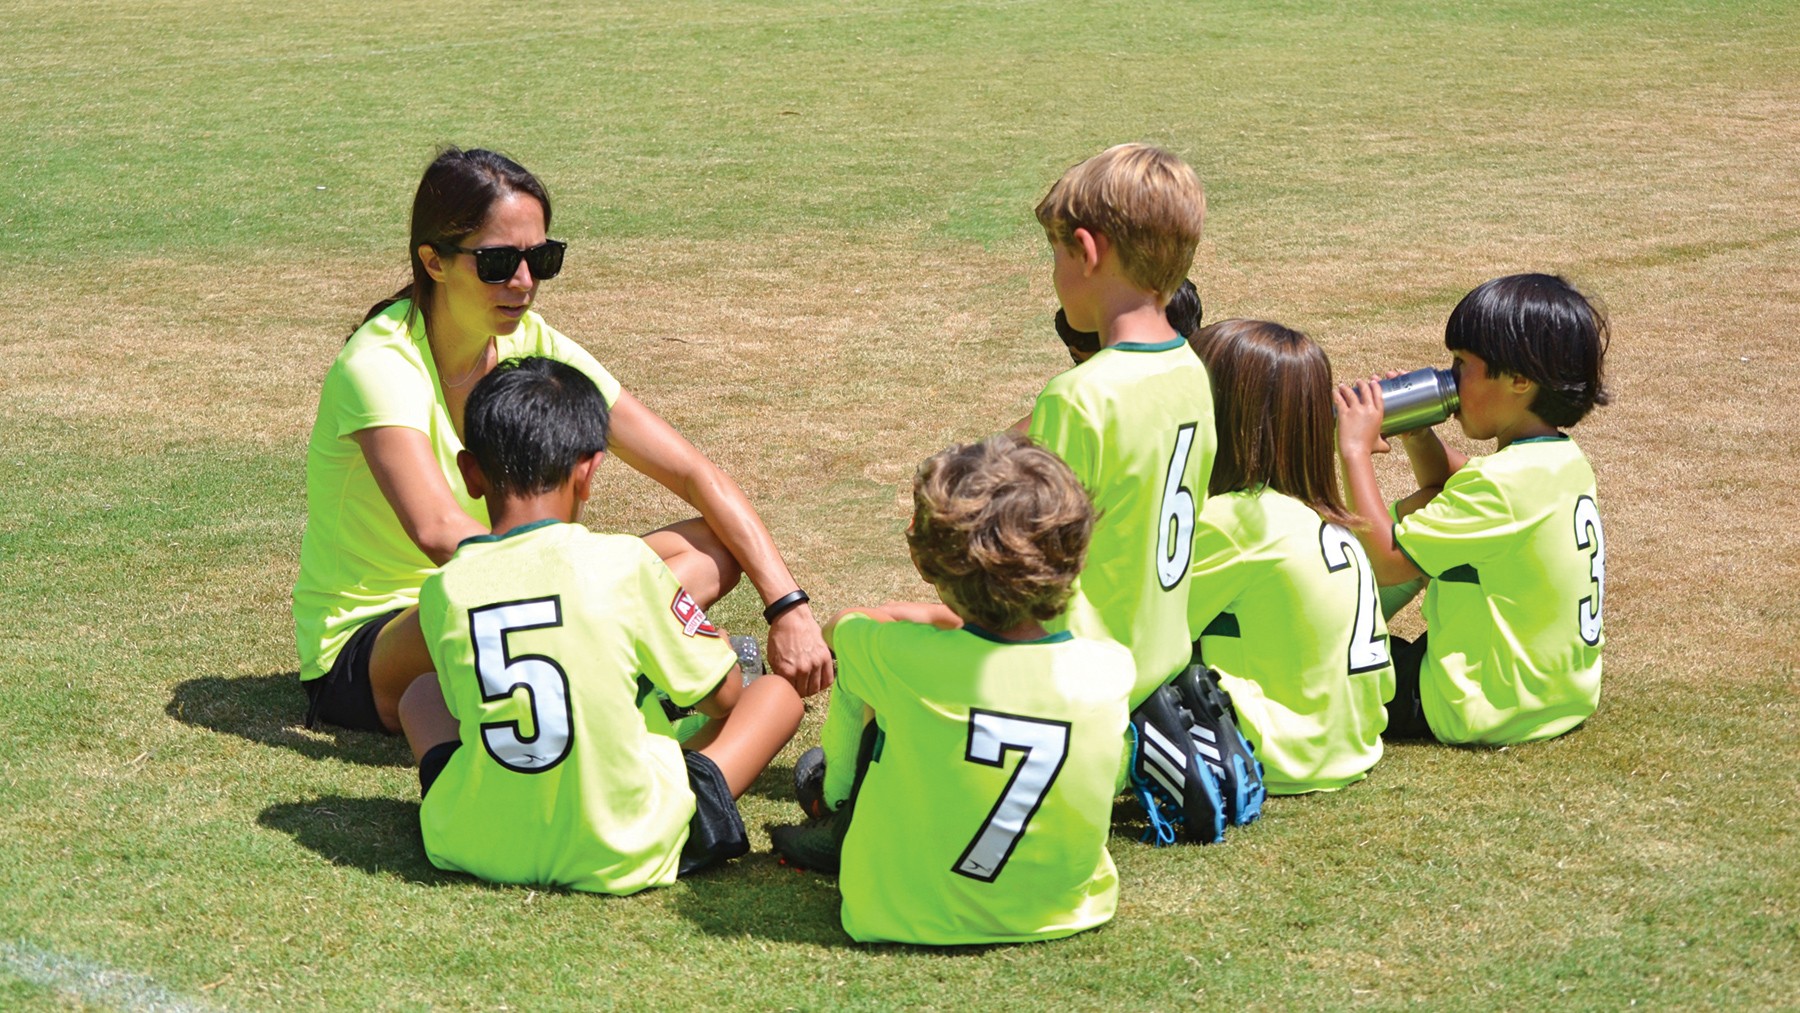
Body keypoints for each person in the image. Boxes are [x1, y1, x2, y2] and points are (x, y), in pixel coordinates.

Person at [292, 147, 831, 736]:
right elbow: (439, 531)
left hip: (508, 590)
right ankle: (647, 667)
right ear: (435, 261)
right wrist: (585, 587)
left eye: (541, 258)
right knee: (573, 590)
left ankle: (614, 661)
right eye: (498, 262)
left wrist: (788, 606)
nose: (524, 283)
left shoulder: (531, 340)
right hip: (381, 642)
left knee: (716, 545)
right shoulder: (379, 362)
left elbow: (693, 474)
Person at [398, 357, 803, 894]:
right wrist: (714, 651)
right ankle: (667, 803)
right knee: (774, 693)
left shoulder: (443, 588)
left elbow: (460, 705)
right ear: (588, 471)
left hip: (474, 844)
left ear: (471, 473)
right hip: (623, 843)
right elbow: (727, 698)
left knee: (421, 695)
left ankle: (492, 811)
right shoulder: (627, 562)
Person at [773, 433, 1133, 945]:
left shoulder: (901, 657)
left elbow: (840, 627)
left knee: (870, 696)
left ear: (925, 562)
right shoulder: (1110, 667)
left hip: (898, 913)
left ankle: (834, 807)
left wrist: (910, 618)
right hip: (1067, 911)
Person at [1335, 273, 1610, 745]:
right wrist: (1417, 430)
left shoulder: (1499, 485)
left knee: (1320, 664)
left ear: (1520, 380)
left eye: (1461, 363)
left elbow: (1385, 560)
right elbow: (1452, 486)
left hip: (1474, 704)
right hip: (1550, 694)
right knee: (1432, 504)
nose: (1450, 378)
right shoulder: (1561, 461)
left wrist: (1354, 451)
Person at [1026, 143, 1214, 710]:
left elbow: (1037, 576)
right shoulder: (1192, 371)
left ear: (1085, 250)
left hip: (1080, 693)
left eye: (1054, 255)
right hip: (1160, 683)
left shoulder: (1081, 396)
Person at [1184, 320, 1394, 794]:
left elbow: (1145, 629)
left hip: (1277, 754)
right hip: (1350, 743)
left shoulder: (1235, 519)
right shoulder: (1327, 520)